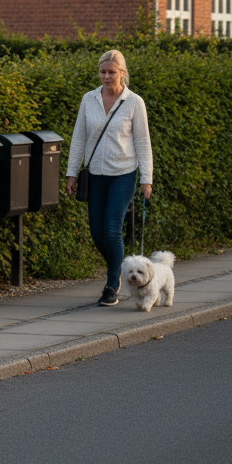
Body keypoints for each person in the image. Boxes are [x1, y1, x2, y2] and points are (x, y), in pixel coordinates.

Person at [66, 50, 153, 306]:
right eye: (103, 71)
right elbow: (79, 137)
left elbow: (142, 142)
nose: (106, 76)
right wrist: (71, 173)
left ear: (122, 73)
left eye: (111, 72)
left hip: (123, 174)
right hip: (94, 175)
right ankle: (120, 264)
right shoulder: (88, 99)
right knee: (97, 232)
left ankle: (112, 284)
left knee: (112, 229)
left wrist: (146, 178)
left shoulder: (134, 102)